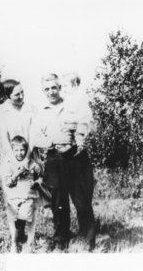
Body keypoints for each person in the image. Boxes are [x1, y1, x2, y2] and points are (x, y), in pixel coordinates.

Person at [30, 73, 96, 252]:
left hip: (76, 157)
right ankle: (61, 239)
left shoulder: (73, 104)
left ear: (59, 88)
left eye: (54, 87)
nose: (51, 91)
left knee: (82, 200)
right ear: (43, 91)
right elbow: (35, 137)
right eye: (47, 89)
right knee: (58, 203)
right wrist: (53, 140)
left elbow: (90, 123)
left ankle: (88, 240)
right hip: (54, 159)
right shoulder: (40, 112)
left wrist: (77, 135)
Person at [1, 136, 49, 253]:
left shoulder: (31, 164)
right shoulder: (8, 163)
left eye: (22, 150)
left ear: (26, 150)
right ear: (12, 151)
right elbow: (7, 182)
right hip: (13, 197)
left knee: (25, 217)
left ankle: (28, 243)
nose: (19, 153)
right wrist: (16, 174)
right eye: (16, 150)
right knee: (13, 219)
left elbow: (42, 177)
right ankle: (15, 243)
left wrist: (36, 182)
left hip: (28, 196)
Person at [0, 79, 36, 178]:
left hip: (30, 161)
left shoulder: (31, 109)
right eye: (17, 94)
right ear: (7, 96)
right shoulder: (1, 111)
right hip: (9, 162)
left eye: (22, 92)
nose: (21, 96)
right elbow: (3, 138)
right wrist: (14, 161)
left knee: (31, 191)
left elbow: (34, 136)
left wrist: (26, 159)